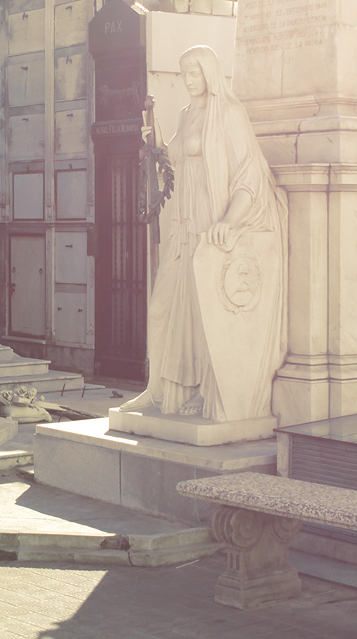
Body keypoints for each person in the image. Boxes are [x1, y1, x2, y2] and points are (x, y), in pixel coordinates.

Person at [119, 46, 287, 422]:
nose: (188, 81)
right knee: (164, 305)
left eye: (193, 73)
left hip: (209, 224)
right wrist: (155, 139)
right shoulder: (187, 113)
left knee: (203, 309)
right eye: (184, 74)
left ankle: (202, 391)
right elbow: (173, 158)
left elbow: (248, 176)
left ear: (209, 73)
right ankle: (160, 389)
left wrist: (229, 220)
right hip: (181, 223)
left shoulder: (229, 114)